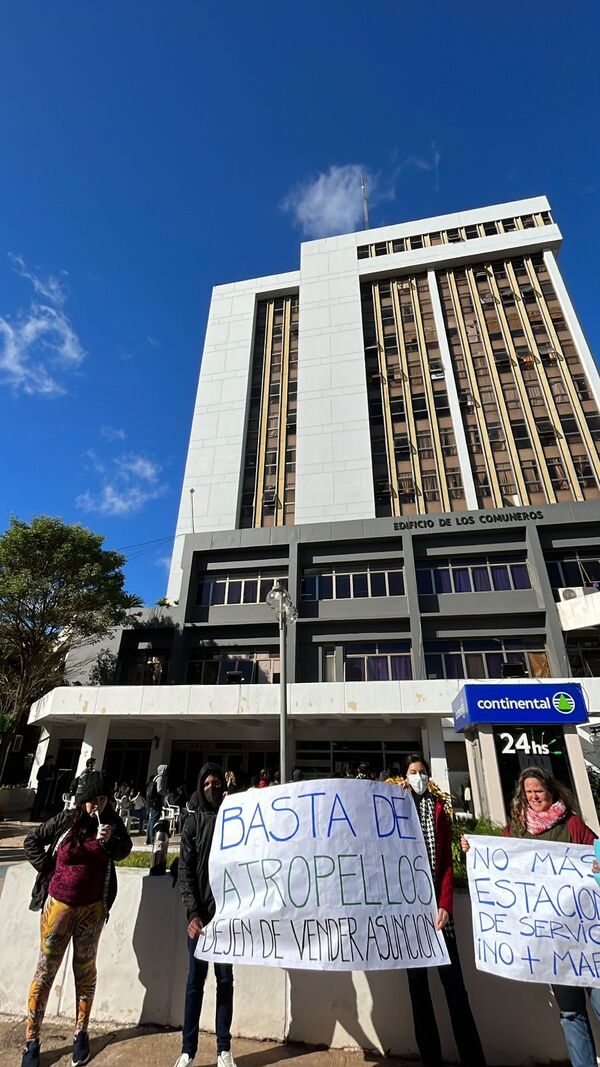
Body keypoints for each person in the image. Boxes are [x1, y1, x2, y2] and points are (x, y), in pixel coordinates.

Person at [462, 767, 600, 1067]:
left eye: (539, 790)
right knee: (570, 1013)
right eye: (529, 792)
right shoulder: (517, 830)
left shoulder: (573, 824)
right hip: (553, 946)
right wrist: (473, 850)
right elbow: (498, 863)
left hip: (585, 939)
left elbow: (597, 853)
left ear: (551, 791)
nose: (534, 796)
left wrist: (597, 864)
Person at [21, 773, 132, 1067]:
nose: (97, 806)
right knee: (45, 971)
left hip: (92, 911)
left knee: (85, 972)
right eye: (92, 800)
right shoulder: (66, 821)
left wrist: (110, 843)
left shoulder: (112, 824)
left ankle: (80, 1032)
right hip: (59, 907)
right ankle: (32, 1040)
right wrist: (47, 867)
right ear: (83, 800)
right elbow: (32, 840)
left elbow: (124, 851)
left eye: (103, 800)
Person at [400, 754, 486, 1067]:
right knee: (418, 992)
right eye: (413, 772)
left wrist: (445, 905)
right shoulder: (393, 809)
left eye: (423, 771)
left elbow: (447, 865)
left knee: (455, 990)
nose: (419, 776)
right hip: (408, 919)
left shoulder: (438, 809)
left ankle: (473, 1058)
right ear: (404, 776)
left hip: (439, 916)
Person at [173, 762, 236, 1067]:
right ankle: (188, 1050)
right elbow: (185, 872)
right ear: (201, 786)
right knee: (194, 982)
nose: (212, 787)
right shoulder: (192, 824)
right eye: (206, 782)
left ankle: (224, 1049)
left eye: (217, 782)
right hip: (200, 918)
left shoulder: (233, 820)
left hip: (227, 917)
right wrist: (192, 913)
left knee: (225, 980)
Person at [146, 763, 168, 843]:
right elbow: (159, 790)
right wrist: (166, 794)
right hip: (156, 802)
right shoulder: (160, 778)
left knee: (151, 820)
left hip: (152, 802)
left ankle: (148, 838)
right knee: (154, 820)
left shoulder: (155, 777)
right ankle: (152, 839)